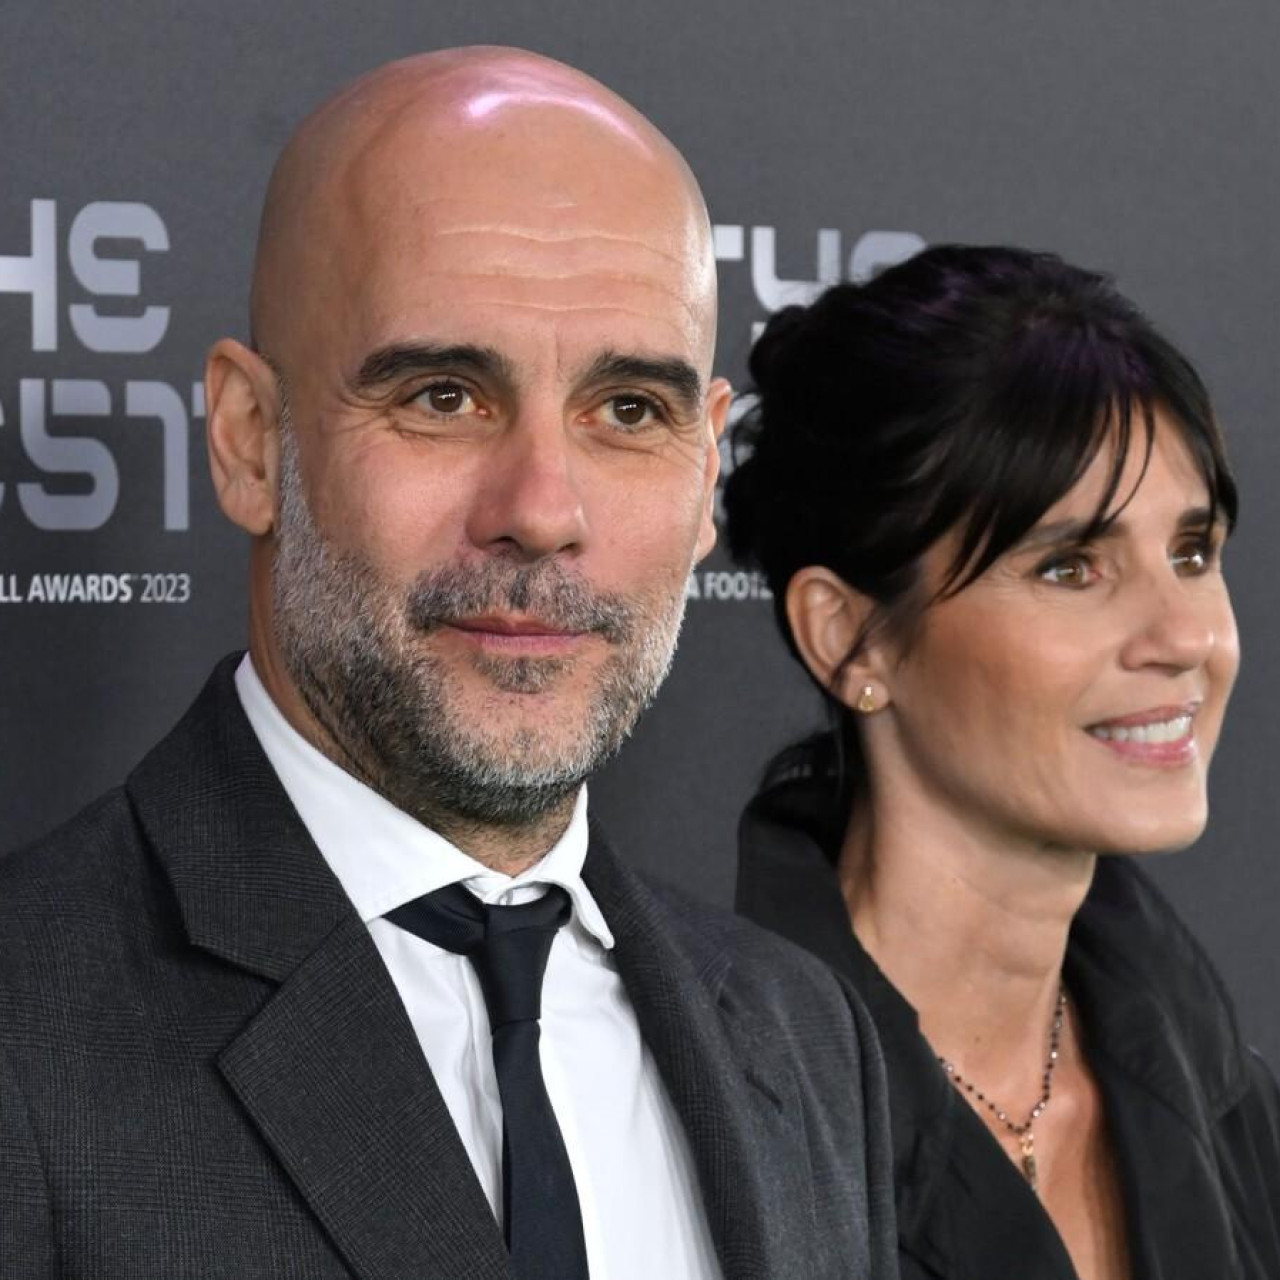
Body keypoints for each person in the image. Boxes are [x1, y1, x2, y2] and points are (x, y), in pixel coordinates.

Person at [0, 49, 896, 1279]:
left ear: (705, 474)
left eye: (627, 410)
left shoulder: (802, 1036)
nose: (541, 510)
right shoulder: (28, 1023)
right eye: (441, 395)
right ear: (252, 442)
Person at [724, 245, 1280, 1280]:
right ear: (849, 639)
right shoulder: (708, 1118)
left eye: (1192, 553)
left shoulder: (1233, 1109)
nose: (1183, 636)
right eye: (1070, 567)